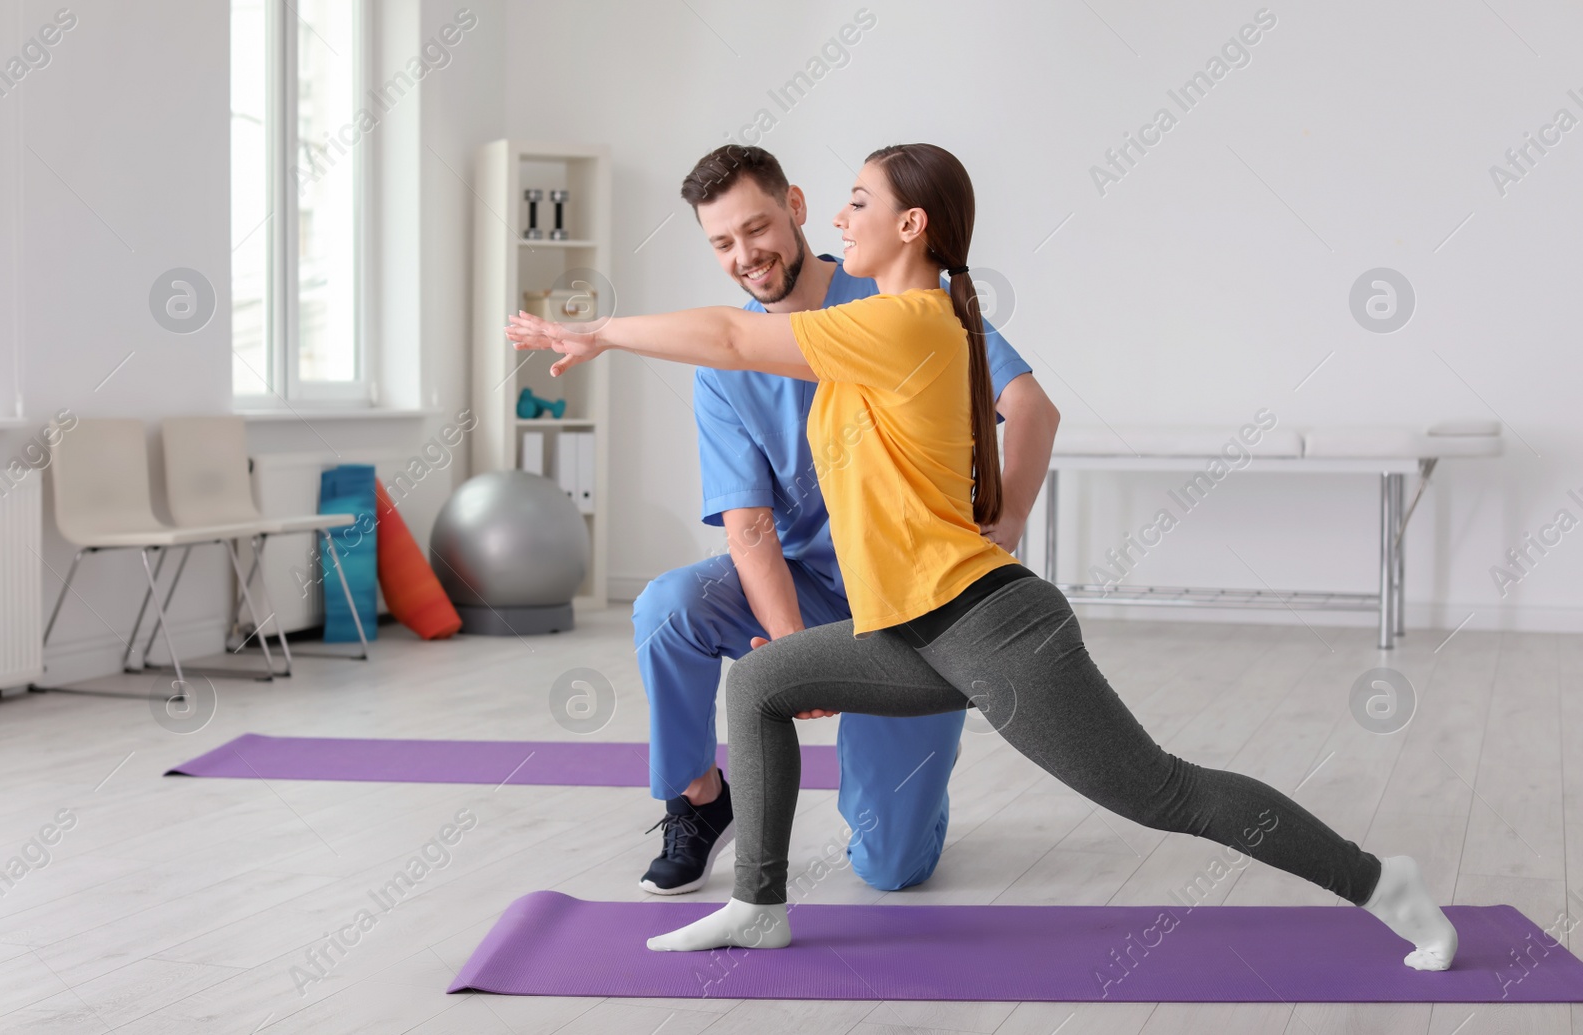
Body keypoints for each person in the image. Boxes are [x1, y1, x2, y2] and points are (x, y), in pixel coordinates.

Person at [507, 143, 1459, 972]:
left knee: (1161, 791)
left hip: (993, 630)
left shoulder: (904, 322)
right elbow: (746, 420)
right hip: (909, 629)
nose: (842, 215)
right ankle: (757, 903)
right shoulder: (887, 320)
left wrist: (595, 329)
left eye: (860, 202)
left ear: (911, 225)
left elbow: (727, 335)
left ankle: (1382, 882)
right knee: (758, 681)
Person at [631, 144, 1058, 896]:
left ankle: (909, 794)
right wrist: (793, 655)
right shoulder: (724, 363)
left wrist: (1011, 515)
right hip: (813, 589)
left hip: (914, 604)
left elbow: (1027, 405)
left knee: (892, 869)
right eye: (722, 243)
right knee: (668, 607)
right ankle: (697, 798)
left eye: (756, 228)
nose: (745, 256)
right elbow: (750, 524)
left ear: (795, 206)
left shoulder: (892, 294)